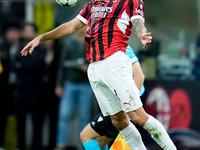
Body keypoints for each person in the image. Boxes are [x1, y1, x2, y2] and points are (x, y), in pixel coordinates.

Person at [21, 0, 176, 149]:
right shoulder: (94, 4)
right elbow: (71, 26)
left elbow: (138, 23)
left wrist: (142, 34)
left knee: (138, 117)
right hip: (94, 68)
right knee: (118, 121)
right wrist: (41, 37)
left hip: (115, 62)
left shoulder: (131, 1)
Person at [80, 45, 145, 150]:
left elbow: (139, 76)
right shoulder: (103, 48)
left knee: (86, 135)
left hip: (122, 107)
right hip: (115, 105)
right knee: (101, 142)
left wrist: (130, 107)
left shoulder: (120, 46)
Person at [54, 26, 93, 150]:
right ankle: (60, 144)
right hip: (70, 83)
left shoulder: (91, 44)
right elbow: (61, 65)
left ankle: (82, 145)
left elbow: (96, 62)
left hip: (86, 84)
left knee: (84, 116)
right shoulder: (69, 44)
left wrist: (88, 68)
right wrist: (59, 84)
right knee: (64, 115)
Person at [15, 22, 46, 150]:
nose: (28, 33)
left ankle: (36, 147)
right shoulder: (18, 48)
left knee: (37, 122)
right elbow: (16, 67)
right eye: (26, 30)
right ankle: (20, 147)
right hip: (20, 90)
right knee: (20, 121)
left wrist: (25, 66)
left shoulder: (41, 48)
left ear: (35, 33)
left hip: (36, 90)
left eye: (30, 30)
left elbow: (39, 64)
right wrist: (30, 66)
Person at [0, 25, 21, 150]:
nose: (13, 35)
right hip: (4, 89)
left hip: (20, 87)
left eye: (15, 32)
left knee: (19, 116)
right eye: (10, 32)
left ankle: (19, 145)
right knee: (2, 116)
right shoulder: (3, 47)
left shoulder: (25, 46)